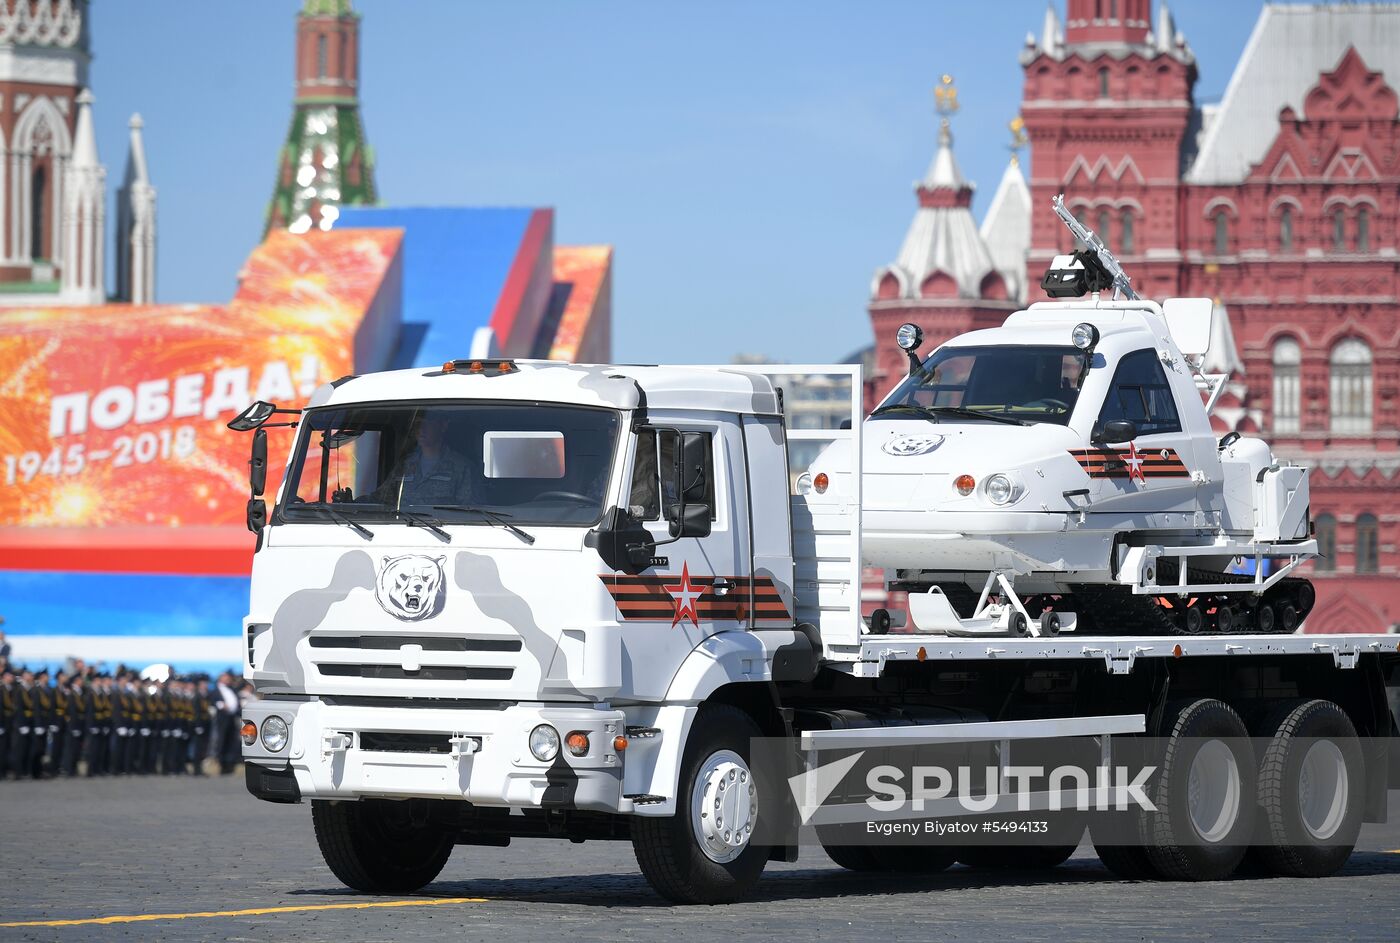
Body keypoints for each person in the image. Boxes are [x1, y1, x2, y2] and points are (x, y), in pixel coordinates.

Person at [373, 413, 470, 508]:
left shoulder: (462, 467)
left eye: (427, 423)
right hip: (402, 523)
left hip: (442, 523)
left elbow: (471, 512)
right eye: (417, 423)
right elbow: (381, 499)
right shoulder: (405, 464)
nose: (420, 429)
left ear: (443, 425)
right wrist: (360, 504)